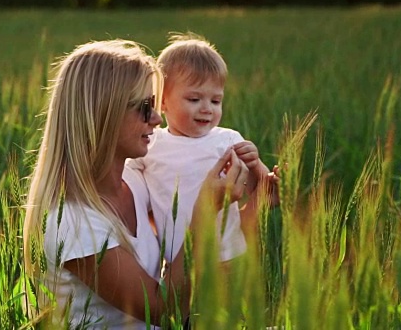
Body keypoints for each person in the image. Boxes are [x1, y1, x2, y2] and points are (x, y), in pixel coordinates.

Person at [22, 39, 250, 329]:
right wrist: (205, 210)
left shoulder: (135, 179)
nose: (157, 119)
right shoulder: (71, 221)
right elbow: (163, 311)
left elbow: (194, 253)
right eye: (145, 108)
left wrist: (258, 201)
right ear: (104, 112)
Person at [127, 33, 278, 264]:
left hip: (229, 255)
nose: (207, 109)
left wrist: (256, 164)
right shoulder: (151, 144)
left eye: (216, 101)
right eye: (195, 99)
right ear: (162, 102)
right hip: (178, 260)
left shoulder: (227, 140)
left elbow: (257, 188)